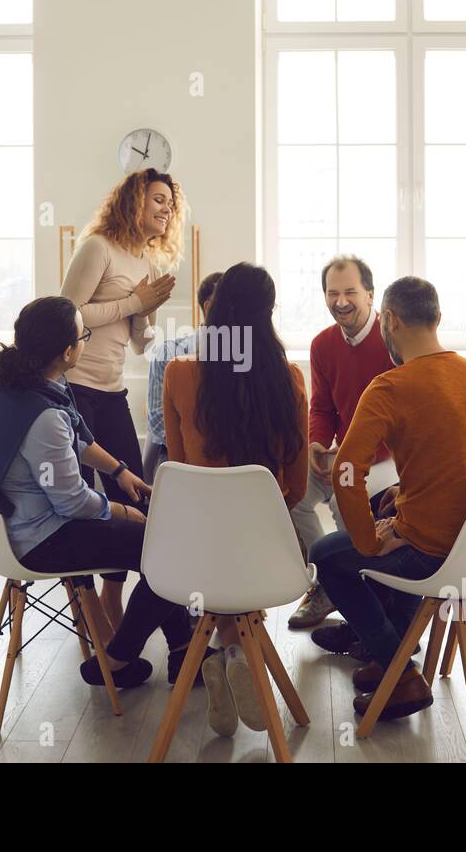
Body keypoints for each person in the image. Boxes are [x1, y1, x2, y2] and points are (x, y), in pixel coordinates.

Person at [0, 296, 192, 689]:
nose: (86, 341)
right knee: (168, 550)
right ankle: (121, 659)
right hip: (44, 538)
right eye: (84, 335)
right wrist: (122, 512)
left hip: (20, 523)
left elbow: (79, 438)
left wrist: (119, 472)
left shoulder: (8, 381)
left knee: (161, 543)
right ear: (68, 351)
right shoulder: (43, 415)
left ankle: (185, 652)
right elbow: (70, 500)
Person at [308, 277, 466, 722]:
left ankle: (398, 670)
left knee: (326, 555)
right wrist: (399, 505)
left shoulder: (390, 386)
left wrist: (370, 541)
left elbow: (344, 476)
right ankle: (390, 651)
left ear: (390, 319)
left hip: (432, 553)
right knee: (384, 504)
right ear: (437, 318)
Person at [162, 262, 309, 737]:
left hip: (197, 556)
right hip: (267, 553)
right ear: (268, 314)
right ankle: (239, 654)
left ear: (215, 309)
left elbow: (179, 472)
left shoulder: (179, 374)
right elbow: (298, 487)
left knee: (217, 548)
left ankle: (227, 653)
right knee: (240, 559)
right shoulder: (289, 380)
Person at [59, 168, 184, 630]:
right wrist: (134, 303)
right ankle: (94, 606)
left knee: (134, 494)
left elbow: (139, 343)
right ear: (133, 201)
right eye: (157, 199)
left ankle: (115, 595)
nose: (166, 208)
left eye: (170, 202)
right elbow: (66, 314)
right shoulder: (98, 247)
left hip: (111, 390)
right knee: (83, 500)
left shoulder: (144, 261)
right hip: (74, 390)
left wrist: (145, 313)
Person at [288, 255, 396, 630]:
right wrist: (317, 444)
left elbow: (401, 419)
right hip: (341, 453)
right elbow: (322, 409)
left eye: (351, 292)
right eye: (333, 293)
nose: (341, 301)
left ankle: (354, 588)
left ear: (370, 294)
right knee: (295, 496)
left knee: (341, 499)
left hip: (387, 457)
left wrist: (352, 458)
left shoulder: (393, 342)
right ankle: (327, 583)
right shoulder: (322, 345)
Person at [142, 270, 224, 482]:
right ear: (209, 307)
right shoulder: (166, 354)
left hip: (229, 456)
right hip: (176, 455)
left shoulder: (246, 357)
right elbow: (158, 421)